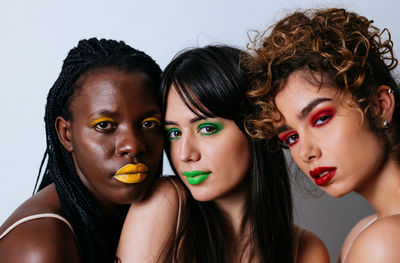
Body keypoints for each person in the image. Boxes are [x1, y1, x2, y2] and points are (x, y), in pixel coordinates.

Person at [117, 45, 329, 262]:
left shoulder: (305, 250)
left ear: (254, 128)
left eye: (207, 129)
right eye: (174, 132)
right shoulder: (164, 204)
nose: (184, 154)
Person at [243, 7, 400, 263]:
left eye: (321, 118)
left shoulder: (383, 242)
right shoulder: (363, 231)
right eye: (291, 137)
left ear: (380, 105)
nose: (305, 153)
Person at [0, 38, 165, 262]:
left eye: (149, 124)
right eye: (105, 125)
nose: (133, 145)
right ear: (66, 134)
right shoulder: (41, 245)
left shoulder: (141, 211)